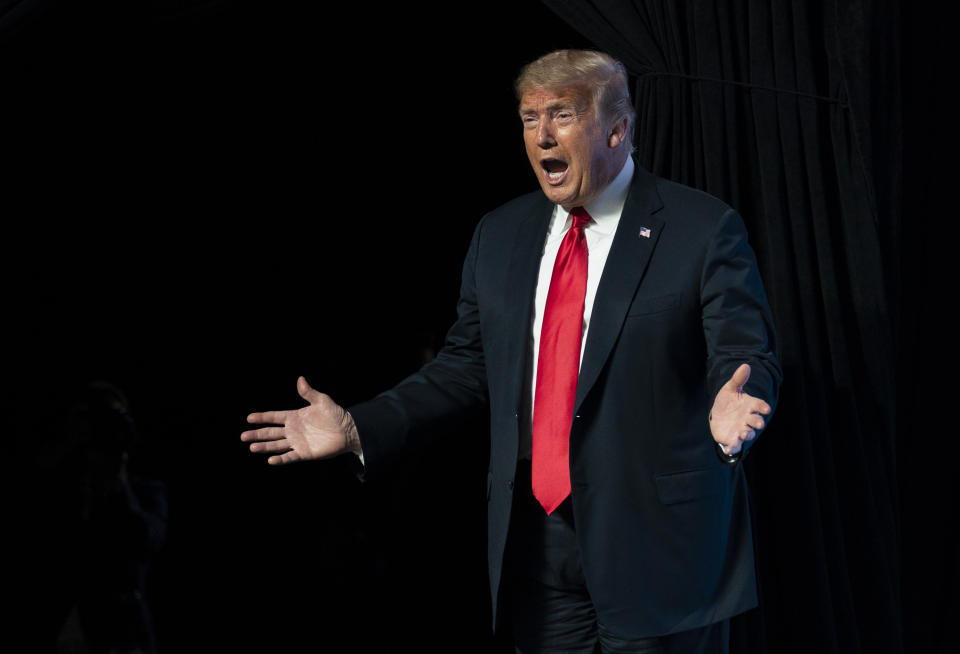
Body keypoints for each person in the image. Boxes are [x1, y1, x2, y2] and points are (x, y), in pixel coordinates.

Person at [242, 49, 781, 653]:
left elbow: (743, 353)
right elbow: (464, 367)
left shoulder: (701, 227)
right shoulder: (499, 235)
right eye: (529, 119)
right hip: (538, 546)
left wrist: (740, 399)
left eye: (563, 115)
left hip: (661, 542)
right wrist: (360, 424)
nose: (543, 135)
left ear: (617, 128)